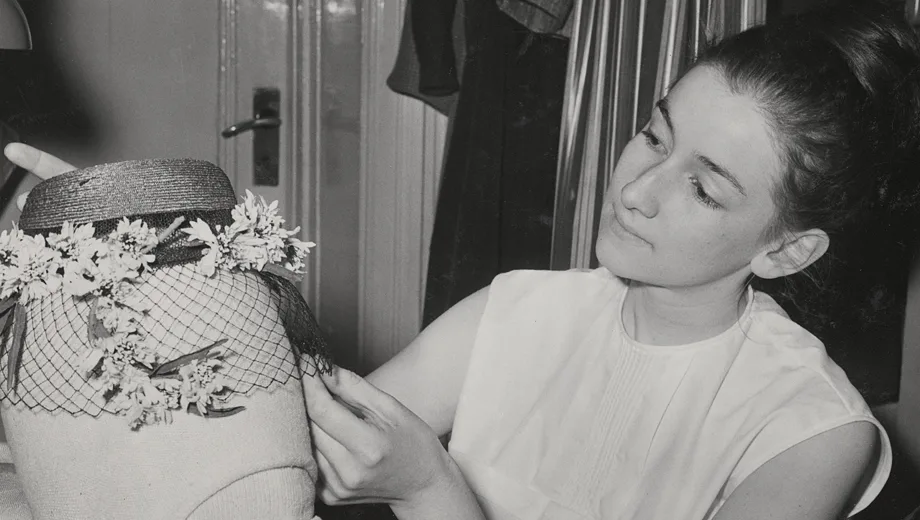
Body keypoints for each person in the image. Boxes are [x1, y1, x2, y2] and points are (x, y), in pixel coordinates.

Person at [6, 1, 919, 518]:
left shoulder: (815, 436)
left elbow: (397, 471)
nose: (638, 188)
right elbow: (297, 447)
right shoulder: (516, 311)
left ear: (787, 249)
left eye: (705, 188)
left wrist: (429, 486)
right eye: (653, 135)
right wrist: (138, 267)